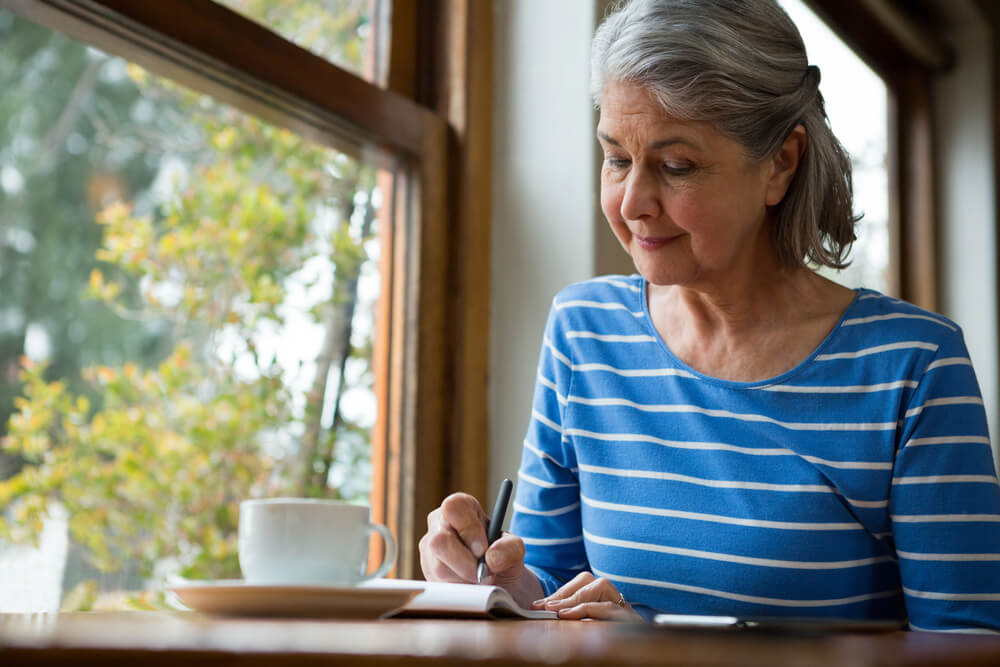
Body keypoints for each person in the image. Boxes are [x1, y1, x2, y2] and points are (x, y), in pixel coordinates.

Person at [418, 0, 1000, 631]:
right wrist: (502, 582)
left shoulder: (911, 366)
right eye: (616, 157)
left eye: (676, 167)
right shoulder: (582, 332)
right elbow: (553, 586)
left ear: (780, 163)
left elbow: (966, 647)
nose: (633, 202)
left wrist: (658, 648)